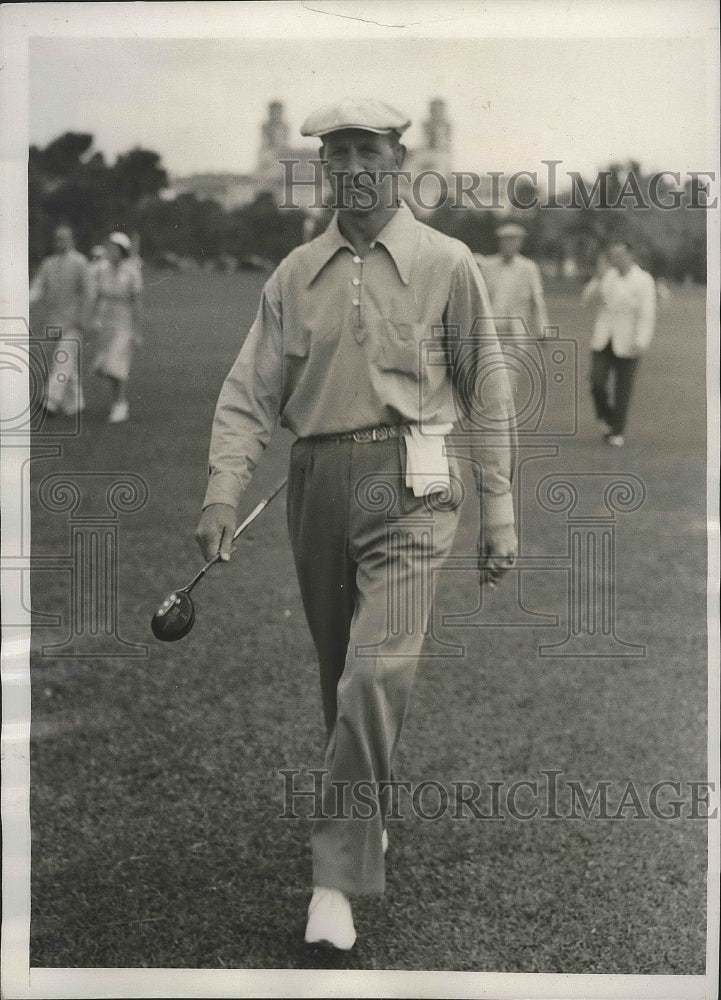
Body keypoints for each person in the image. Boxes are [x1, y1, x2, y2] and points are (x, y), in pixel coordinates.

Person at [194, 98, 517, 952]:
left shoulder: (448, 262)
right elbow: (247, 393)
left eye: (366, 151)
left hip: (415, 486)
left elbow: (486, 387)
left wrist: (500, 510)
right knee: (344, 674)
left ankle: (333, 880)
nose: (351, 167)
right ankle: (363, 811)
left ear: (398, 159)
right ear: (322, 167)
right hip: (317, 483)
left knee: (374, 675)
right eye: (335, 154)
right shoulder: (294, 273)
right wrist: (222, 492)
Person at [583, 241, 656, 447]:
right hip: (604, 338)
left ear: (630, 256)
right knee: (597, 382)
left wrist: (641, 340)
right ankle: (605, 417)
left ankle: (617, 431)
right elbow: (587, 300)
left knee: (623, 389)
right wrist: (597, 278)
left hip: (629, 339)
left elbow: (647, 313)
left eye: (619, 255)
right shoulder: (607, 277)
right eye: (612, 255)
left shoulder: (643, 280)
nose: (615, 259)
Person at [29, 223, 94, 417]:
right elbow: (37, 288)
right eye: (57, 238)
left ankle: (49, 401)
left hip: (74, 322)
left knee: (63, 360)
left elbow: (90, 292)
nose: (60, 242)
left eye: (64, 238)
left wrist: (84, 318)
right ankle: (76, 405)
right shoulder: (48, 263)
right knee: (66, 364)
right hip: (54, 322)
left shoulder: (80, 262)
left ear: (72, 240)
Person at [89, 231, 143, 424]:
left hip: (124, 322)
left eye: (114, 248)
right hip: (105, 321)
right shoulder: (100, 269)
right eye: (109, 248)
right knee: (105, 367)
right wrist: (94, 320)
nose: (110, 252)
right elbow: (96, 297)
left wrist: (137, 332)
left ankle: (120, 404)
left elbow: (136, 303)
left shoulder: (132, 271)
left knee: (115, 364)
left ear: (122, 251)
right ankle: (117, 401)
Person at [474, 221, 550, 343]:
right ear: (500, 242)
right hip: (491, 329)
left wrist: (542, 329)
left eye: (514, 240)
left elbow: (537, 300)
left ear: (520, 243)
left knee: (511, 362)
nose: (509, 244)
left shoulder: (528, 268)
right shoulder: (488, 265)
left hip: (515, 331)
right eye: (505, 240)